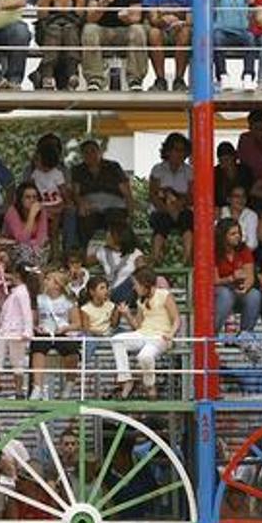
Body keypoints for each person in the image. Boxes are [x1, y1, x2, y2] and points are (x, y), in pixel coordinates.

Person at [82, 0, 148, 92]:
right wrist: (103, 3)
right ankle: (95, 79)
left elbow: (137, 17)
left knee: (138, 30)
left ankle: (135, 79)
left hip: (125, 31)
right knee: (89, 29)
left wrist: (127, 18)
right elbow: (90, 17)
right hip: (103, 31)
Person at [111, 268, 179, 399]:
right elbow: (138, 326)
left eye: (136, 284)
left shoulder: (164, 295)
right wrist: (127, 314)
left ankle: (150, 385)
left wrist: (171, 334)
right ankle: (126, 378)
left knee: (144, 356)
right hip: (143, 333)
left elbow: (176, 319)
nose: (134, 288)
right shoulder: (140, 300)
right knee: (116, 339)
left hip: (161, 335)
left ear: (145, 284)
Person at [144, 0, 193, 91]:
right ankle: (160, 80)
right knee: (153, 33)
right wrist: (163, 20)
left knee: (185, 32)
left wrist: (180, 22)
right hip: (162, 31)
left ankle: (179, 80)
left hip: (180, 30)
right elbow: (153, 20)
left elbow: (190, 20)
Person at [34, 0, 85, 90]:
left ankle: (72, 74)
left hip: (72, 30)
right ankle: (47, 75)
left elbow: (80, 19)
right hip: (49, 32)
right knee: (54, 30)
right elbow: (41, 22)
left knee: (69, 29)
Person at [72, 139, 132, 247]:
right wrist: (81, 203)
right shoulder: (78, 170)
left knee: (117, 221)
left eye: (93, 151)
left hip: (113, 206)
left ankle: (122, 254)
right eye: (86, 152)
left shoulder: (113, 167)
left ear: (100, 152)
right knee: (83, 220)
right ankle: (86, 255)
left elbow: (127, 192)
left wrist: (131, 212)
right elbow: (75, 193)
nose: (90, 155)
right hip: (91, 207)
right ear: (82, 155)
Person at [31, 270, 81, 399]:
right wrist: (36, 327)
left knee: (72, 352)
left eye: (48, 279)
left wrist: (65, 328)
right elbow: (33, 321)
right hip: (45, 331)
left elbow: (77, 323)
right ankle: (37, 387)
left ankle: (69, 386)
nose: (45, 281)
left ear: (57, 285)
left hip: (62, 331)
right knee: (38, 348)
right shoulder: (39, 299)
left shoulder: (69, 301)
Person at [147, 132, 194, 264]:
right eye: (176, 150)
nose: (180, 154)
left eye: (183, 151)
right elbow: (152, 195)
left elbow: (191, 196)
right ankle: (155, 256)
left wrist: (178, 205)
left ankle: (187, 256)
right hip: (161, 209)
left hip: (182, 209)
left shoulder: (189, 171)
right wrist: (167, 209)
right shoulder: (158, 169)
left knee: (188, 220)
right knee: (161, 221)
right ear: (168, 151)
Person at [0, 261, 34, 399]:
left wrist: (27, 331)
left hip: (16, 331)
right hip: (4, 330)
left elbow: (27, 312)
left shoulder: (22, 292)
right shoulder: (14, 291)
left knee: (17, 360)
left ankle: (19, 390)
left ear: (17, 275)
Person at [213, 0, 256, 91]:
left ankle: (248, 76)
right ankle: (223, 76)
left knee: (250, 39)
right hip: (223, 30)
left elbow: (251, 0)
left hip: (241, 31)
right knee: (216, 39)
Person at [214, 218, 261, 336]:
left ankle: (245, 335)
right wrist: (231, 278)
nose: (237, 237)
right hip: (218, 289)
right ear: (223, 236)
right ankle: (212, 332)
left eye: (238, 233)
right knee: (226, 295)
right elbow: (214, 280)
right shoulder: (214, 251)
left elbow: (250, 276)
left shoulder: (243, 250)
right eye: (232, 234)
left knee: (254, 295)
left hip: (238, 288)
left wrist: (245, 287)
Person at [95, 220, 145, 304]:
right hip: (111, 291)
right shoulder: (103, 252)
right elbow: (82, 260)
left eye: (109, 233)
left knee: (133, 278)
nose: (107, 235)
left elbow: (144, 274)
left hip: (130, 292)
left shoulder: (135, 253)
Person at [2, 182, 51, 267]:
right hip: (13, 247)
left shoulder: (42, 211)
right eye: (28, 197)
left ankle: (35, 272)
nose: (32, 200)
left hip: (35, 249)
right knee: (24, 249)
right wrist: (31, 216)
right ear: (20, 199)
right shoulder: (12, 212)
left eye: (34, 197)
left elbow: (42, 237)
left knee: (44, 247)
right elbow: (22, 239)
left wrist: (33, 245)